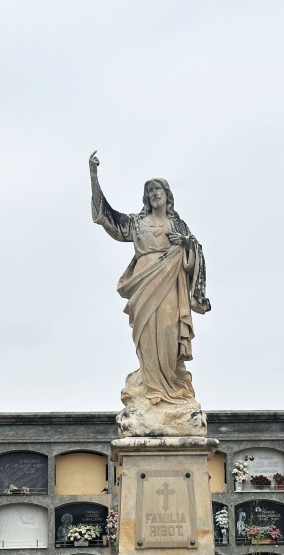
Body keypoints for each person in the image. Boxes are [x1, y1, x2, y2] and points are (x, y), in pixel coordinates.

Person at [89, 151, 210, 406]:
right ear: (147, 197)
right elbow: (106, 217)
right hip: (144, 283)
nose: (155, 194)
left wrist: (185, 244)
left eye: (159, 191)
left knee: (168, 330)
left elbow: (196, 251)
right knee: (146, 335)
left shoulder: (179, 226)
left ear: (168, 197)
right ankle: (151, 387)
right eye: (151, 191)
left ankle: (170, 388)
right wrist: (94, 177)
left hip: (170, 284)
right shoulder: (136, 223)